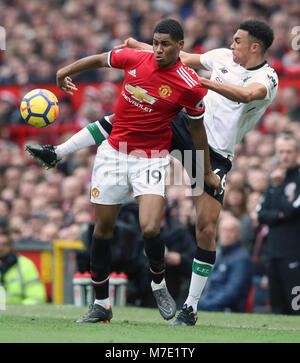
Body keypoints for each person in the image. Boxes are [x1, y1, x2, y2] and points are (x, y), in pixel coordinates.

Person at [26, 19, 277, 325]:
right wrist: (142, 48)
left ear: (254, 46)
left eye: (237, 40)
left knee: (207, 227)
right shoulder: (222, 56)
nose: (231, 44)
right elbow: (179, 57)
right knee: (128, 119)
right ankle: (58, 152)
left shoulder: (268, 77)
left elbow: (245, 95)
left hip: (214, 150)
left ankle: (190, 307)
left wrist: (196, 83)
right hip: (185, 125)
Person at [257, 132, 300, 315]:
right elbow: (261, 214)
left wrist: (278, 189)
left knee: (296, 308)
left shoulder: (294, 179)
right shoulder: (274, 180)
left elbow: (292, 210)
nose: (284, 156)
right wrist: (280, 213)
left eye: (288, 151)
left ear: (297, 153)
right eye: (281, 152)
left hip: (294, 254)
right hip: (273, 253)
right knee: (277, 309)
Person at [197, 215, 252, 312]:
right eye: (223, 230)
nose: (226, 234)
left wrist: (206, 304)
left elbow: (232, 291)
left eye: (230, 231)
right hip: (209, 302)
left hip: (227, 309)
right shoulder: (219, 253)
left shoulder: (241, 259)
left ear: (238, 234)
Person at [0, 231, 47, 305]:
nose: (1, 248)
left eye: (4, 244)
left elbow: (37, 297)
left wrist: (17, 309)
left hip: (18, 310)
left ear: (12, 246)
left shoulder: (25, 265)